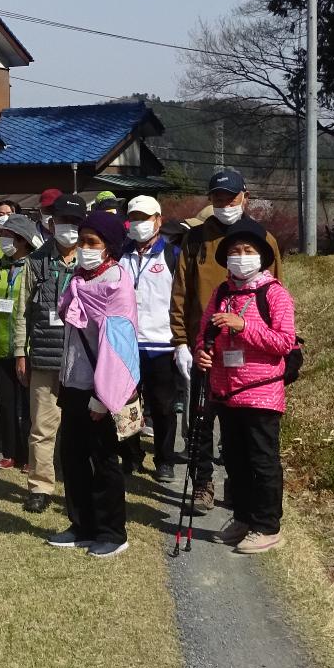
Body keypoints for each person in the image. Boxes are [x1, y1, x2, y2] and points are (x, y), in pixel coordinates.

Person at [170, 168, 284, 473]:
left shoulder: (263, 239)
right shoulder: (194, 240)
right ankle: (202, 482)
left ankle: (238, 488)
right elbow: (181, 293)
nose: (224, 203)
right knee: (201, 422)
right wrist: (181, 341)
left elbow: (277, 293)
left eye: (230, 197)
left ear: (244, 197)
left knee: (241, 427)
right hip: (204, 349)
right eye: (217, 198)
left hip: (251, 352)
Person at [195, 219, 298, 555]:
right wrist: (202, 352)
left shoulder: (275, 293)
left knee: (262, 461)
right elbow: (204, 333)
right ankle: (242, 518)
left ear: (262, 257)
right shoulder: (222, 293)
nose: (241, 257)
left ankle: (267, 526)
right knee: (235, 459)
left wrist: (243, 326)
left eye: (248, 251)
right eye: (235, 251)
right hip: (225, 389)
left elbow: (284, 342)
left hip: (261, 390)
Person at [49, 208, 140, 558]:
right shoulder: (78, 280)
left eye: (92, 242)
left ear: (109, 247)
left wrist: (104, 398)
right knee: (72, 455)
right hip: (74, 381)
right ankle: (81, 525)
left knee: (103, 459)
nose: (84, 248)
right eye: (83, 240)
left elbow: (119, 346)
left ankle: (112, 531)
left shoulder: (117, 284)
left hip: (101, 388)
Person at [13, 192, 82, 514]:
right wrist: (19, 353)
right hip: (43, 356)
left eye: (75, 222)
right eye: (63, 221)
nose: (69, 227)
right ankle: (40, 487)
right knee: (41, 427)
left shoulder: (93, 261)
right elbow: (20, 313)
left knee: (78, 428)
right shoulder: (36, 261)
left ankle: (76, 487)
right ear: (52, 224)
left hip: (83, 360)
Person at [120, 195, 183, 485]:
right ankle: (130, 455)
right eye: (133, 218)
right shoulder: (121, 253)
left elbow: (181, 299)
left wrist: (181, 340)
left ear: (158, 220)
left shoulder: (173, 255)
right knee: (126, 403)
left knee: (162, 406)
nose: (138, 224)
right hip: (126, 343)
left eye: (144, 218)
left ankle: (165, 459)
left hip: (161, 344)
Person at [0, 215, 42, 470]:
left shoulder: (34, 267)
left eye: (7, 237)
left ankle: (30, 456)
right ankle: (10, 453)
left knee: (29, 406)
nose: (3, 241)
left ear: (21, 240)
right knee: (6, 403)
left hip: (26, 347)